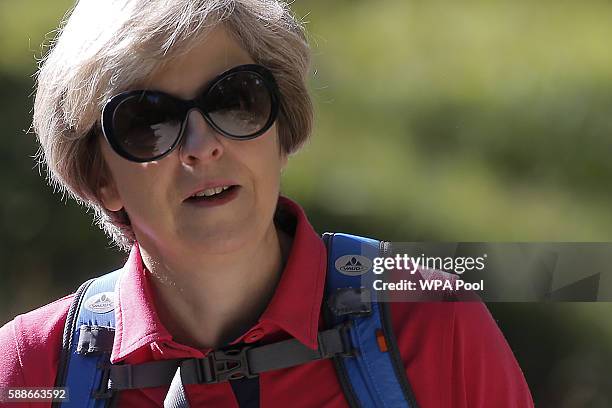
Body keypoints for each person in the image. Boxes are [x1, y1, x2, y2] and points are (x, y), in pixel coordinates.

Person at [0, 0, 534, 407]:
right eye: (148, 120)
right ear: (101, 177)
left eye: (234, 100)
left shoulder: (430, 317)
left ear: (281, 129)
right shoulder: (29, 371)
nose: (202, 145)